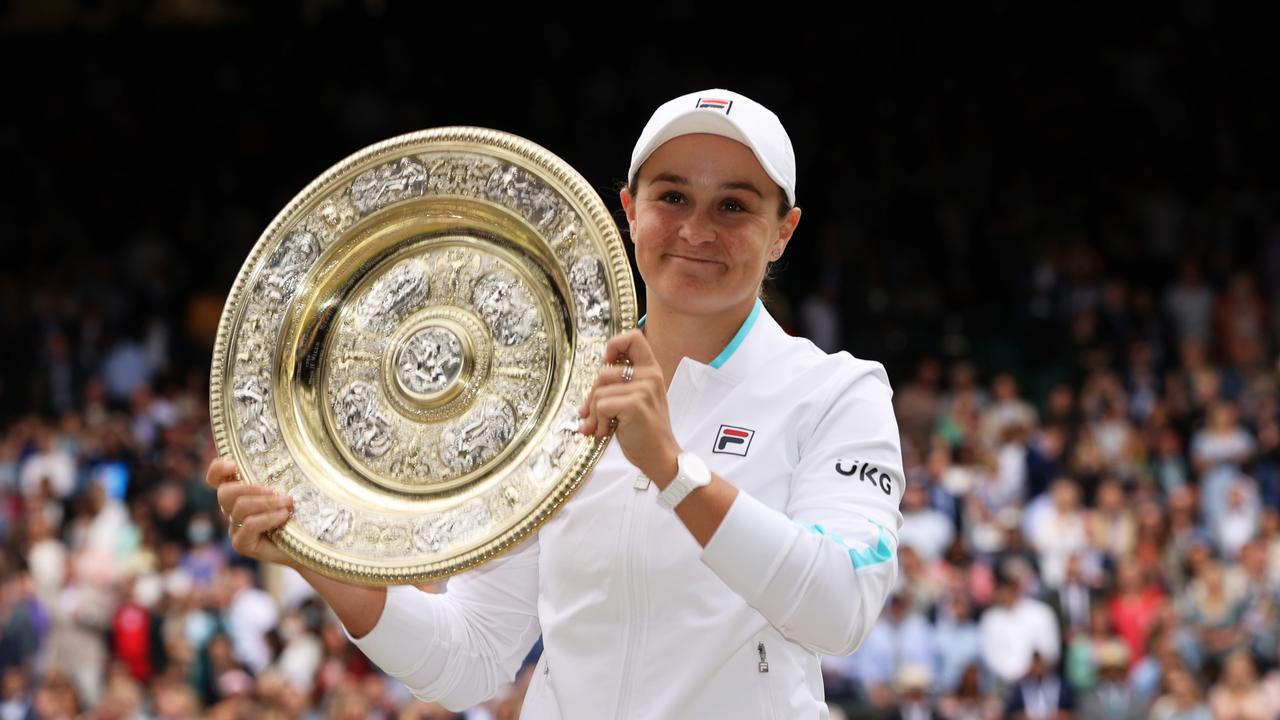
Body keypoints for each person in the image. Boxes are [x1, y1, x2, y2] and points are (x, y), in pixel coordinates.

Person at [206, 88, 905, 718]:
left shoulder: (837, 392)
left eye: (734, 205)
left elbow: (839, 608)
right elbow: (470, 660)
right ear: (629, 211)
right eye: (671, 197)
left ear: (784, 229)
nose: (696, 229)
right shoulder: (550, 396)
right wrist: (314, 555)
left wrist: (672, 470)